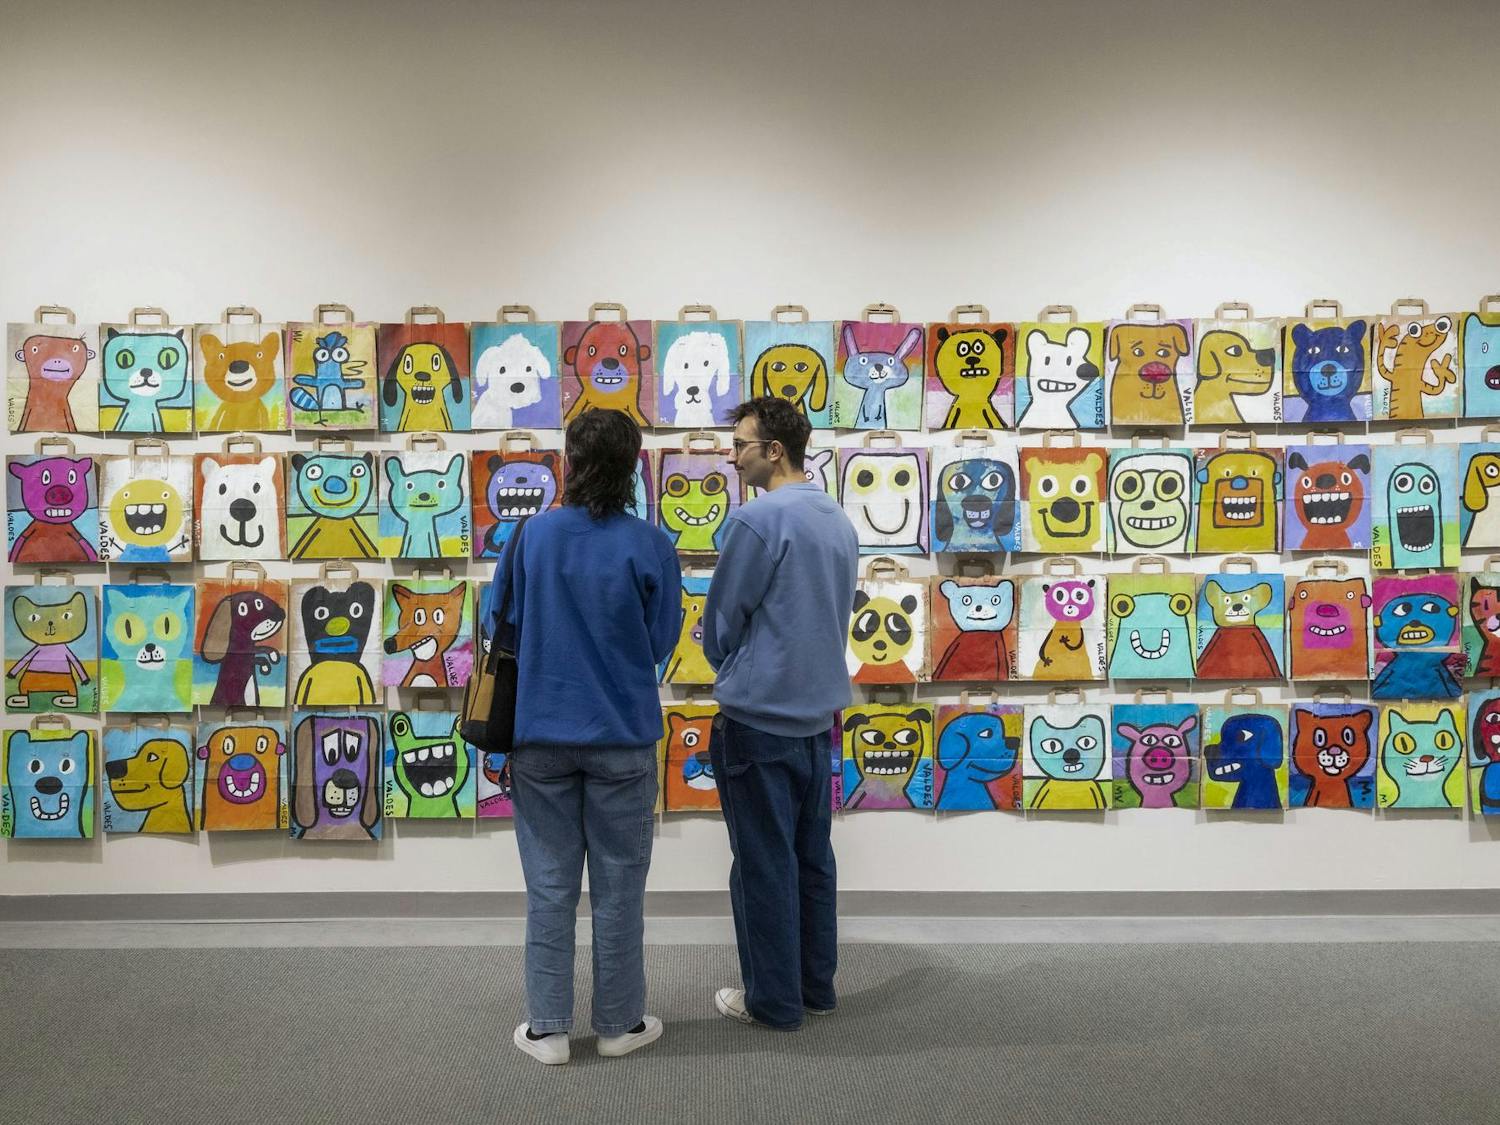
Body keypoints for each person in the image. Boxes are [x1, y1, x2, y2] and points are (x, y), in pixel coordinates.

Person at [484, 409, 682, 1065]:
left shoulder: (530, 536)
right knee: (621, 888)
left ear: (568, 459)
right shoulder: (652, 544)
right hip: (622, 736)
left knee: (549, 886)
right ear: (634, 466)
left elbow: (499, 620)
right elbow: (659, 642)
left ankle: (548, 1028)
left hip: (539, 734)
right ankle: (620, 1024)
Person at [702, 395, 860, 1030]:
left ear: (773, 450)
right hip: (815, 717)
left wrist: (731, 662)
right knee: (811, 857)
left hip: (758, 716)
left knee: (764, 863)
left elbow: (721, 621)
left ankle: (773, 1002)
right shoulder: (836, 518)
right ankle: (815, 988)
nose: (732, 455)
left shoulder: (757, 522)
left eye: (740, 444)